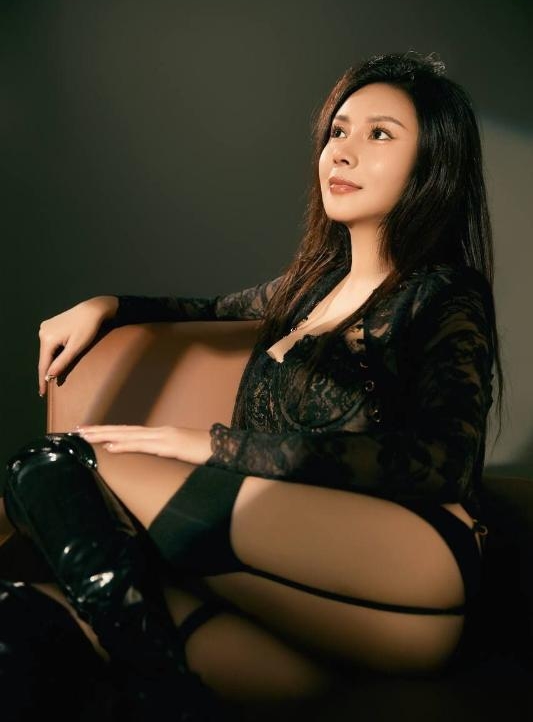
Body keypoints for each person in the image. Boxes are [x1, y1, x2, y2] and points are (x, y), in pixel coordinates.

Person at [0, 50, 503, 720]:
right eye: (337, 131)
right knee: (21, 620)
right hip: (302, 595)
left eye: (379, 134)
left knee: (57, 462)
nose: (342, 151)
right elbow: (206, 309)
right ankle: (164, 688)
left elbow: (444, 462)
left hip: (408, 565)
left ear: (431, 164)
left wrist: (214, 446)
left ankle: (157, 685)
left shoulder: (443, 294)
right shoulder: (308, 289)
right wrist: (107, 304)